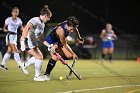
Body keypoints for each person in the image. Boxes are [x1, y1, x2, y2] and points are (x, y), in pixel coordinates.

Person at [43, 16, 84, 81]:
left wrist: (79, 37)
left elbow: (76, 29)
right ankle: (46, 75)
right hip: (52, 41)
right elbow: (64, 44)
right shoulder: (61, 30)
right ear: (68, 25)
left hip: (59, 41)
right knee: (54, 57)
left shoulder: (70, 25)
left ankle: (61, 58)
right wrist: (73, 53)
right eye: (72, 28)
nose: (73, 30)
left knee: (69, 55)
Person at [20, 5, 52, 81]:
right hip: (29, 41)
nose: (49, 19)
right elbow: (26, 28)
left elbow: (41, 38)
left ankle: (24, 65)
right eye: (49, 17)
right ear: (45, 16)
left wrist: (48, 45)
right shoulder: (35, 20)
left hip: (33, 43)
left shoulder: (42, 24)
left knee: (39, 57)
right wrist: (22, 40)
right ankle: (37, 77)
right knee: (39, 57)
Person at [0, 7, 28, 75]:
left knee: (9, 51)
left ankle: (2, 65)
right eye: (15, 11)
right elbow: (4, 28)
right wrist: (5, 30)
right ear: (12, 12)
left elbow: (21, 28)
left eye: (17, 11)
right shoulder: (8, 20)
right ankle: (20, 65)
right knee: (16, 51)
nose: (16, 13)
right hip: (9, 36)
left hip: (15, 37)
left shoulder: (19, 20)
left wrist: (24, 30)